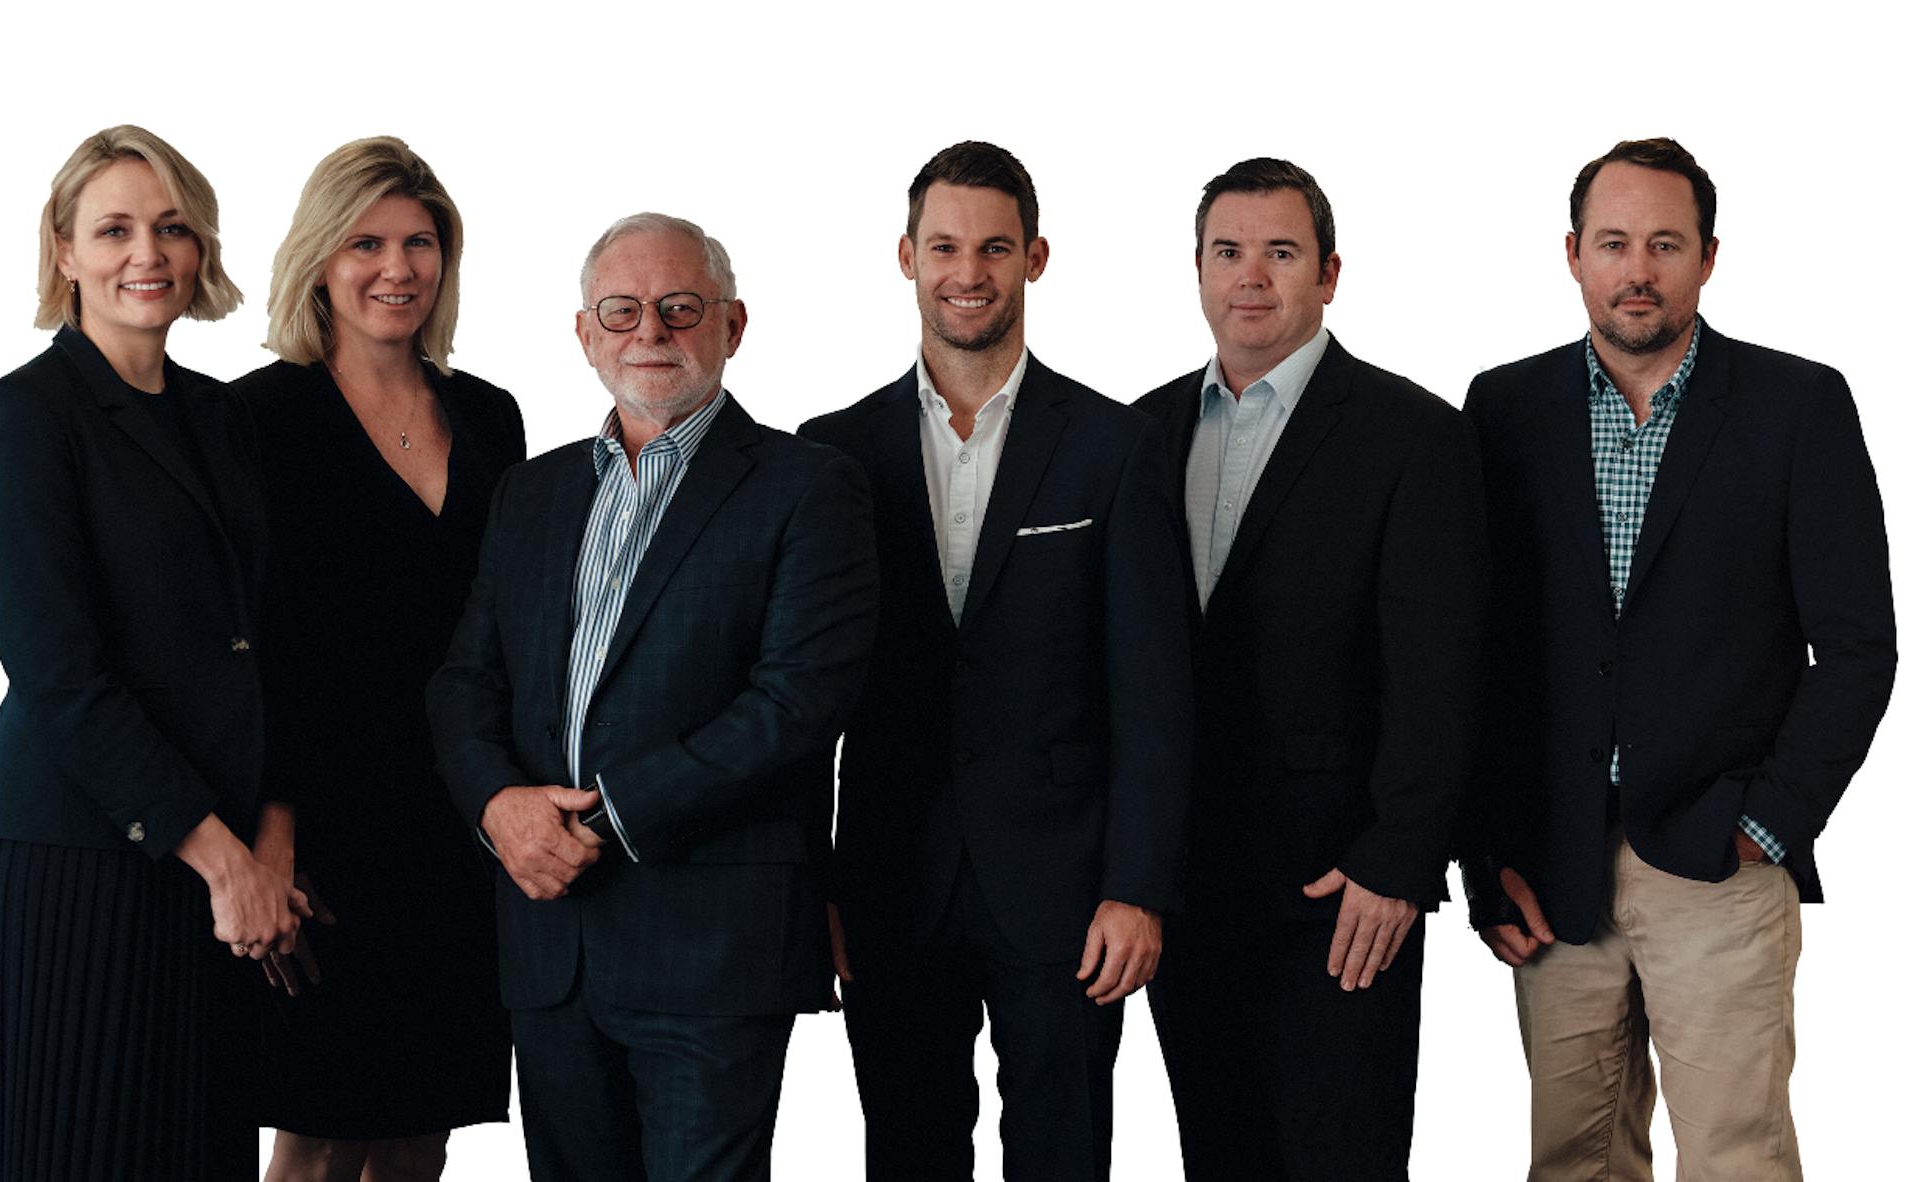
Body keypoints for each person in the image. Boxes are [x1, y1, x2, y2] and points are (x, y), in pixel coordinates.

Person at [1460, 137, 1897, 1182]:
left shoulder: (1796, 406)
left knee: (1736, 1160)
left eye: (1665, 243)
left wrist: (1767, 823)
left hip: (1718, 859)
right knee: (1571, 1162)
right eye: (1613, 243)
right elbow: (1473, 651)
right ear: (1572, 254)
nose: (1637, 269)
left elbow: (1855, 645)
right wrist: (1485, 857)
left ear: (1708, 257)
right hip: (1553, 870)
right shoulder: (1503, 409)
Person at [426, 212, 878, 1182]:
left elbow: (798, 702)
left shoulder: (808, 487)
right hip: (551, 943)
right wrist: (499, 807)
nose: (650, 333)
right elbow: (466, 681)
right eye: (621, 312)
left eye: (680, 308)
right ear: (584, 335)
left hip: (712, 945)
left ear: (732, 325)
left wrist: (607, 816)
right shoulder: (531, 494)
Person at [799, 141, 1193, 1182]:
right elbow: (802, 699)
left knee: (1063, 1158)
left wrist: (1137, 887)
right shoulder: (832, 453)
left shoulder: (1113, 446)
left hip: (1067, 892)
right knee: (907, 1156)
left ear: (1035, 258)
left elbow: (1154, 693)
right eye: (943, 247)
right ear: (906, 257)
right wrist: (813, 884)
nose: (966, 272)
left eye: (993, 248)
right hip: (889, 882)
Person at [0, 124, 309, 1181]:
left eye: (172, 228)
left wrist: (271, 842)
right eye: (113, 230)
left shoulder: (221, 416)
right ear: (63, 252)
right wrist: (224, 860)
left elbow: (267, 641)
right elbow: (59, 675)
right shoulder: (25, 416)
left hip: (215, 863)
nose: (147, 254)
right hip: (81, 858)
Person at [1132, 157, 1487, 1181]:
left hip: (1341, 890)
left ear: (1328, 273)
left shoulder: (1412, 435)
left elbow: (1444, 671)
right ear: (1198, 271)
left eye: (1280, 253)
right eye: (1227, 252)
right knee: (1218, 1155)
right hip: (1183, 885)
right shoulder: (1138, 431)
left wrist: (1399, 859)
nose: (1251, 276)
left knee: (1342, 1158)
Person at [235, 136, 524, 1182]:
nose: (397, 268)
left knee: (419, 1128)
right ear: (319, 258)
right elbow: (246, 644)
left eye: (419, 243)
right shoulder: (254, 418)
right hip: (321, 825)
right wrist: (271, 838)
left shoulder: (487, 415)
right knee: (318, 1132)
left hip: (458, 818)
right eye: (366, 243)